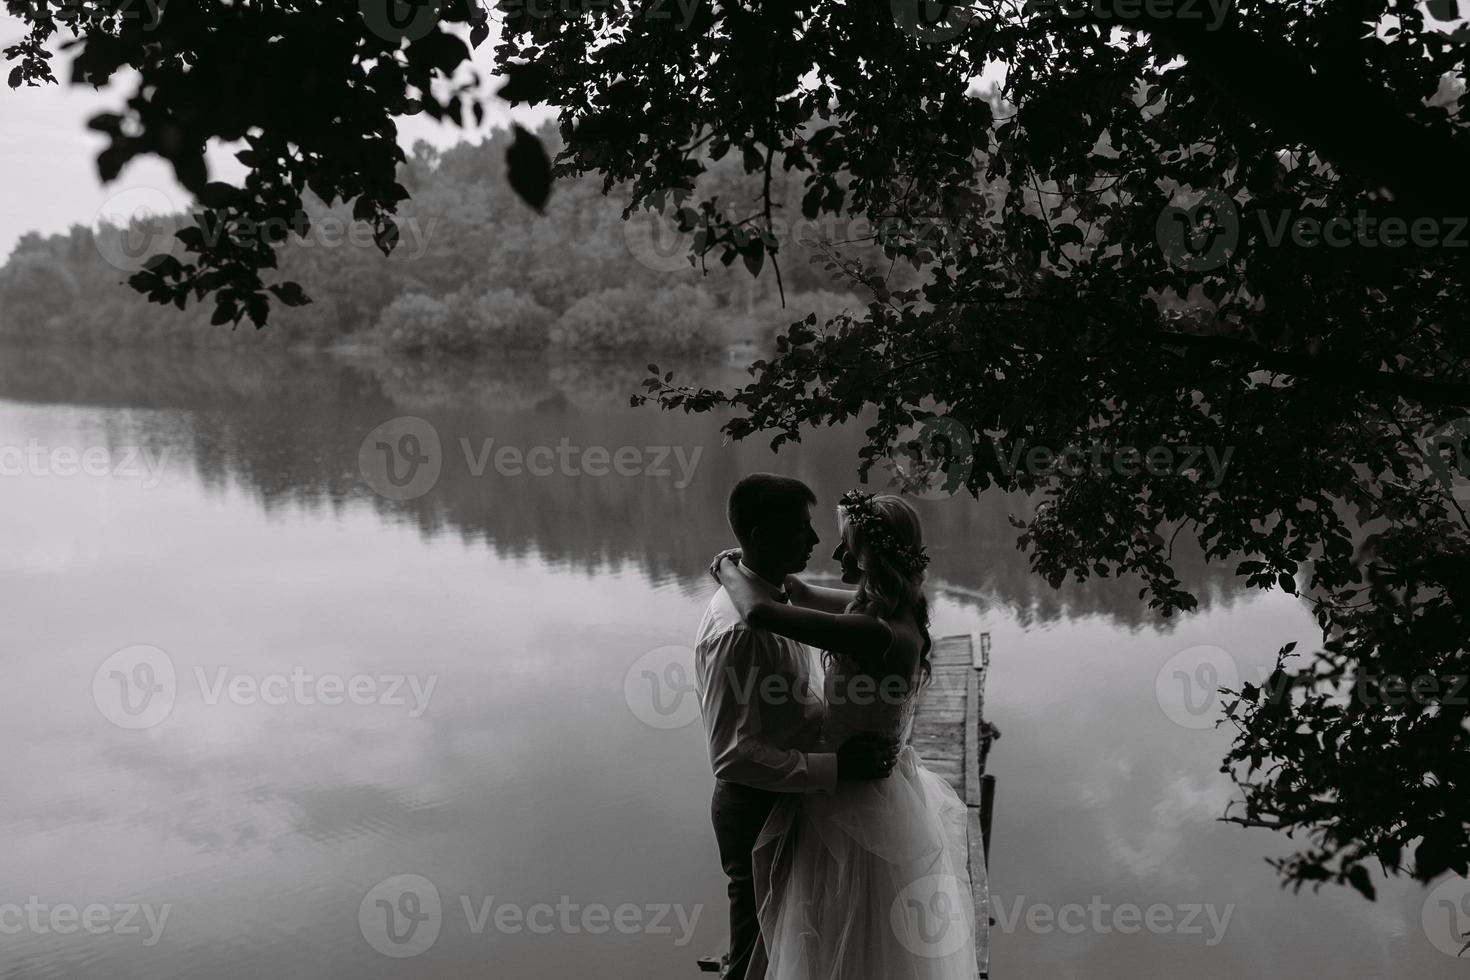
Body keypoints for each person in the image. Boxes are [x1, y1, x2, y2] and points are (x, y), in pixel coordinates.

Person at [711, 489, 978, 980]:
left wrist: (728, 566)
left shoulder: (876, 633)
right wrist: (760, 562)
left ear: (869, 554)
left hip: (853, 801)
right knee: (840, 927)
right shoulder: (891, 608)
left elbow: (762, 615)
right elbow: (804, 595)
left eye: (845, 545)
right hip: (871, 783)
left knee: (843, 924)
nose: (833, 554)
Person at [694, 474, 901, 980]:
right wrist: (834, 766)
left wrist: (726, 564)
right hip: (757, 803)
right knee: (757, 951)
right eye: (801, 529)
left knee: (796, 941)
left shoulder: (779, 599)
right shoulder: (740, 632)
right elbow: (733, 755)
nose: (814, 542)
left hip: (798, 792)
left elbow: (788, 605)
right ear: (762, 534)